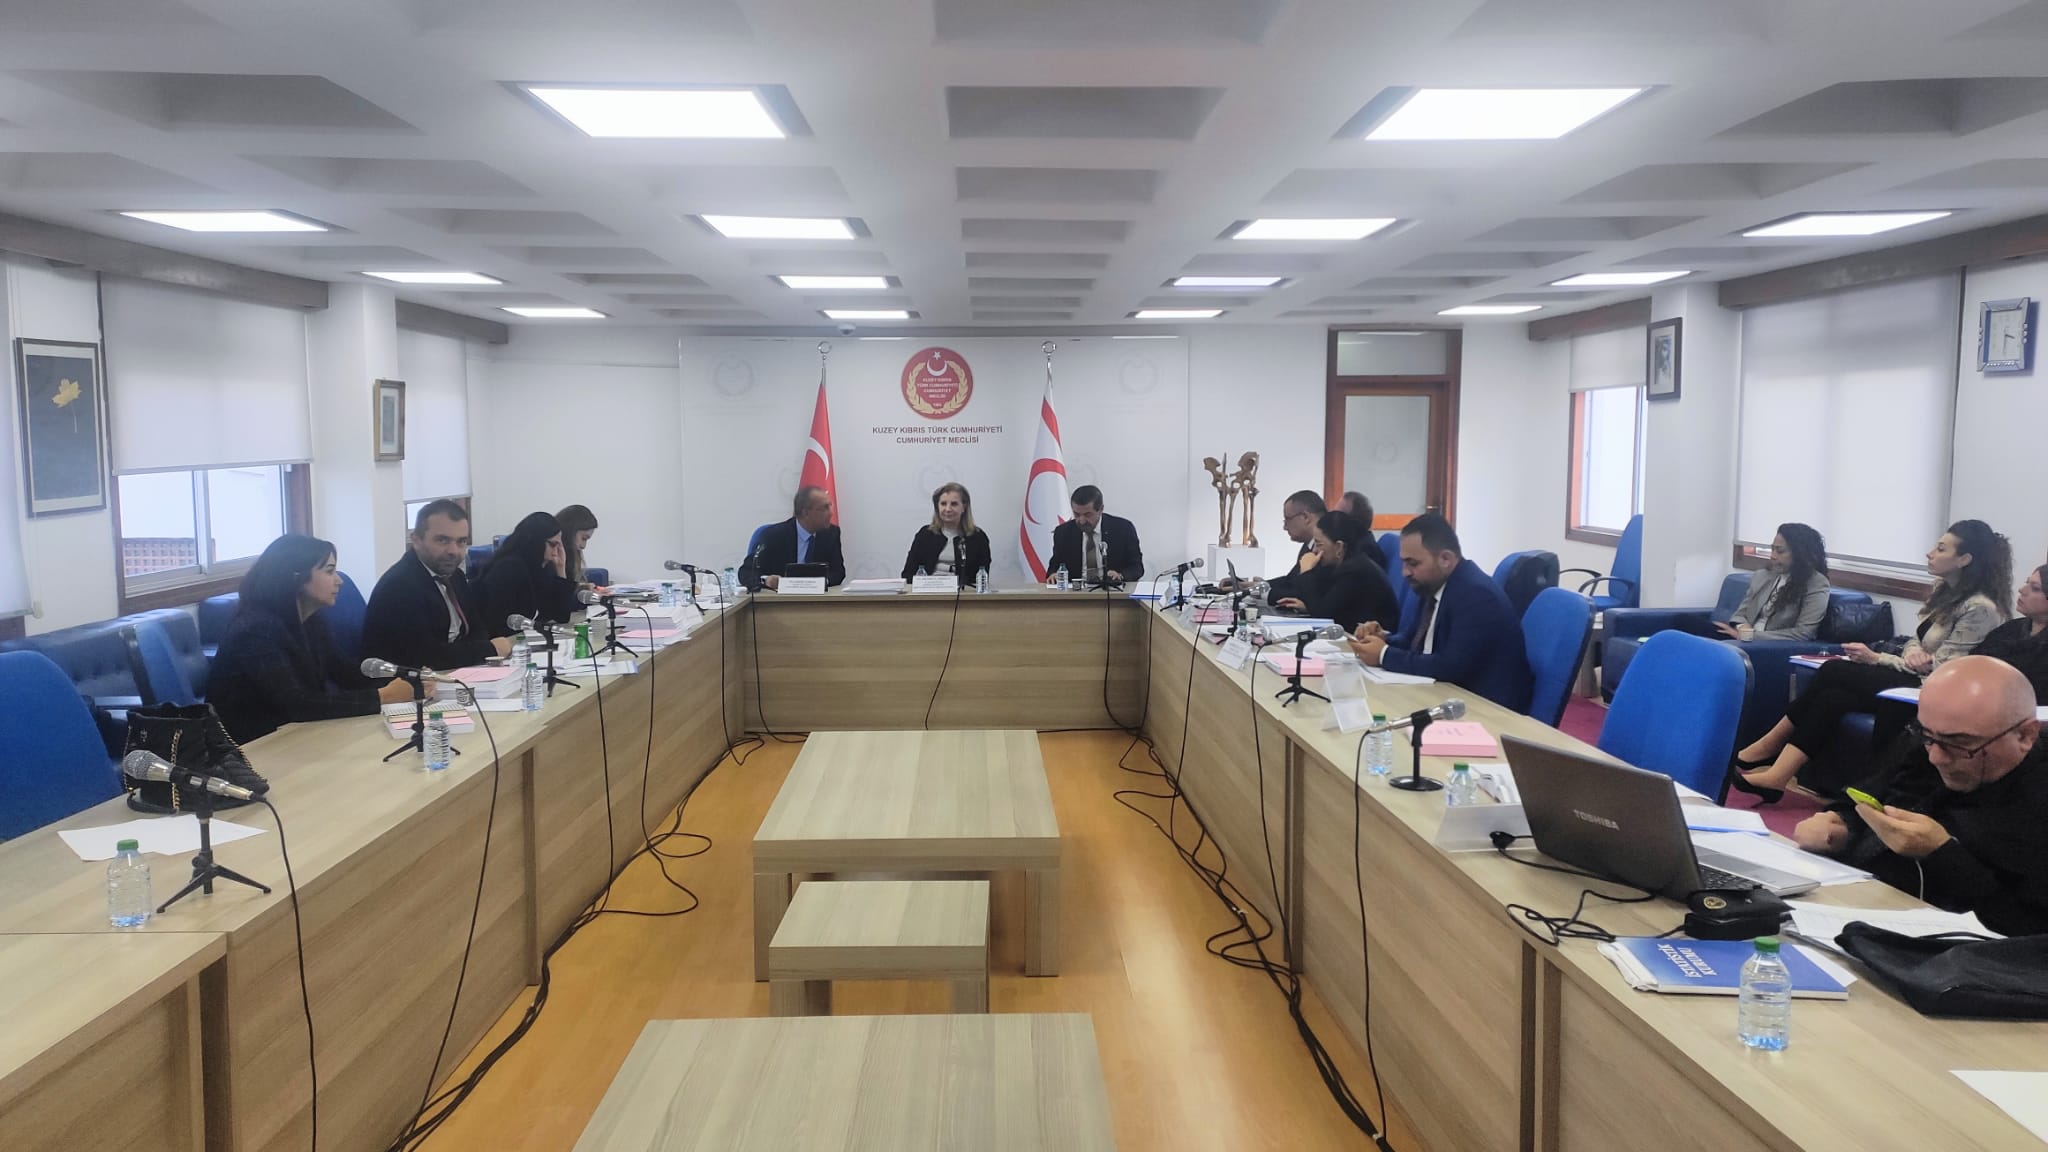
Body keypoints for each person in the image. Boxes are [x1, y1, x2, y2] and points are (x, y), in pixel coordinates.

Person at [1736, 520, 2012, 798]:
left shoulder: (1980, 608)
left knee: (1834, 670)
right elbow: (1916, 640)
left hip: (1932, 689)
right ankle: (1777, 776)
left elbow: (1943, 667)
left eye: (1941, 549)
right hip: (1913, 676)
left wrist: (1877, 658)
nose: (1930, 553)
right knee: (1832, 697)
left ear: (1964, 559)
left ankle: (1769, 745)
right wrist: (1911, 652)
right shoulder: (1944, 591)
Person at [1792, 656, 2048, 936]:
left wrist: (1942, 854)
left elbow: (2028, 927)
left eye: (1961, 743)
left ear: (2025, 735)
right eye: (1928, 736)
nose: (1937, 757)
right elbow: (1869, 796)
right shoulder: (1929, 743)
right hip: (1862, 909)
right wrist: (1842, 826)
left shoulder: (2034, 800)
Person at [207, 534, 413, 743]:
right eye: (329, 571)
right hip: (249, 745)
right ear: (296, 577)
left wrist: (409, 680)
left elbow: (345, 673)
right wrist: (384, 696)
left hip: (290, 734)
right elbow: (297, 703)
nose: (339, 580)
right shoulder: (255, 630)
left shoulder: (310, 620)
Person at [1347, 512, 1532, 712]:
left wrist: (1384, 654)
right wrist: (1383, 639)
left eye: (1413, 563)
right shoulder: (1433, 584)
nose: (1405, 572)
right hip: (1445, 694)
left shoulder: (1477, 596)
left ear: (1446, 559)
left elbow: (1450, 666)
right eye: (1404, 563)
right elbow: (1414, 642)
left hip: (1486, 709)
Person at [362, 500, 512, 671]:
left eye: (461, 541)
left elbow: (477, 629)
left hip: (452, 672)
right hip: (408, 681)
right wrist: (489, 649)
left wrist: (484, 651)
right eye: (442, 540)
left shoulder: (454, 576)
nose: (453, 551)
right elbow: (426, 656)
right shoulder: (400, 587)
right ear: (416, 540)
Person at [1273, 510, 1400, 634]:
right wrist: (1309, 606)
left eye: (1319, 544)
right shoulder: (1344, 564)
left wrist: (1306, 572)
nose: (1315, 551)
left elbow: (1322, 618)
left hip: (1373, 640)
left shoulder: (1355, 571)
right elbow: (1326, 603)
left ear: (1339, 547)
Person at [1714, 523, 1831, 641]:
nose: (1772, 556)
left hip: (1772, 646)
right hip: (1744, 639)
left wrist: (1751, 636)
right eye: (1772, 549)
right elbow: (1740, 614)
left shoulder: (1816, 583)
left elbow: (1804, 632)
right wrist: (1743, 629)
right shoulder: (1762, 575)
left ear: (1800, 553)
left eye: (1780, 551)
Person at [474, 511, 581, 630]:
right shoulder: (509, 568)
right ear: (536, 541)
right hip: (502, 637)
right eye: (553, 544)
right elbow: (502, 622)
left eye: (559, 545)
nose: (557, 551)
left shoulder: (543, 567)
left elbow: (561, 616)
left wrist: (561, 569)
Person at [739, 486, 846, 591]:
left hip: (817, 599)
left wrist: (817, 584)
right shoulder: (773, 535)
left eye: (830, 506)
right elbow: (746, 572)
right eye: (824, 508)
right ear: (806, 513)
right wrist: (766, 580)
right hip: (780, 599)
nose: (831, 513)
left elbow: (838, 572)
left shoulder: (831, 534)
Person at [1974, 564, 2048, 704]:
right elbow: (1976, 661)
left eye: (2035, 588)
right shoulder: (2011, 628)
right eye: (2027, 582)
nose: (2022, 590)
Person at [901, 482, 993, 587]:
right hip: (928, 591)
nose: (948, 509)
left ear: (964, 507)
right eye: (943, 504)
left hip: (962, 593)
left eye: (954, 504)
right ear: (937, 507)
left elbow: (981, 577)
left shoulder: (978, 537)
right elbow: (908, 574)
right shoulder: (925, 535)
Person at [1049, 485, 1143, 586]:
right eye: (1077, 514)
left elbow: (1137, 567)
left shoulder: (1123, 529)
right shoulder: (1063, 532)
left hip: (1112, 590)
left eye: (1088, 515)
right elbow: (1054, 566)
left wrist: (1120, 576)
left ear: (1101, 509)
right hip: (1076, 592)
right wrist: (1053, 574)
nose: (1082, 520)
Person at [556, 504, 599, 585]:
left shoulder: (572, 558)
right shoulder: (551, 561)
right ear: (570, 532)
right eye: (583, 538)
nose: (583, 546)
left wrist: (582, 587)